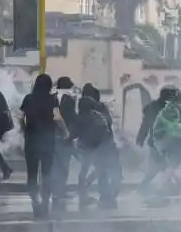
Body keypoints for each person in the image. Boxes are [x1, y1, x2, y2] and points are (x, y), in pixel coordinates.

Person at [20, 74, 67, 217]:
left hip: (31, 140)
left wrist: (24, 129)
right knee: (47, 173)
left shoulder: (28, 99)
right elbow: (57, 117)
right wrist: (65, 131)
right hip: (48, 141)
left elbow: (20, 117)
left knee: (32, 173)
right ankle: (45, 200)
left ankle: (35, 199)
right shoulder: (52, 100)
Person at [76, 84, 119, 209]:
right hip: (100, 144)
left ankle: (83, 194)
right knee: (102, 170)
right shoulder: (99, 108)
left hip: (86, 145)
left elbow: (77, 128)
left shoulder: (82, 109)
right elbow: (107, 124)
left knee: (85, 170)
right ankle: (104, 195)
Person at [137, 86, 175, 190]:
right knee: (161, 166)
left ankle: (169, 186)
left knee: (163, 165)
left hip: (164, 142)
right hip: (157, 142)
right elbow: (146, 124)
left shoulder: (164, 108)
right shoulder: (154, 108)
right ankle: (144, 185)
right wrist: (141, 137)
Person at [52, 76, 78, 210]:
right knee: (64, 165)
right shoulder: (69, 99)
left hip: (53, 135)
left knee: (56, 165)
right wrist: (71, 134)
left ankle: (56, 191)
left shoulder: (53, 97)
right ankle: (60, 191)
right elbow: (71, 117)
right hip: (65, 135)